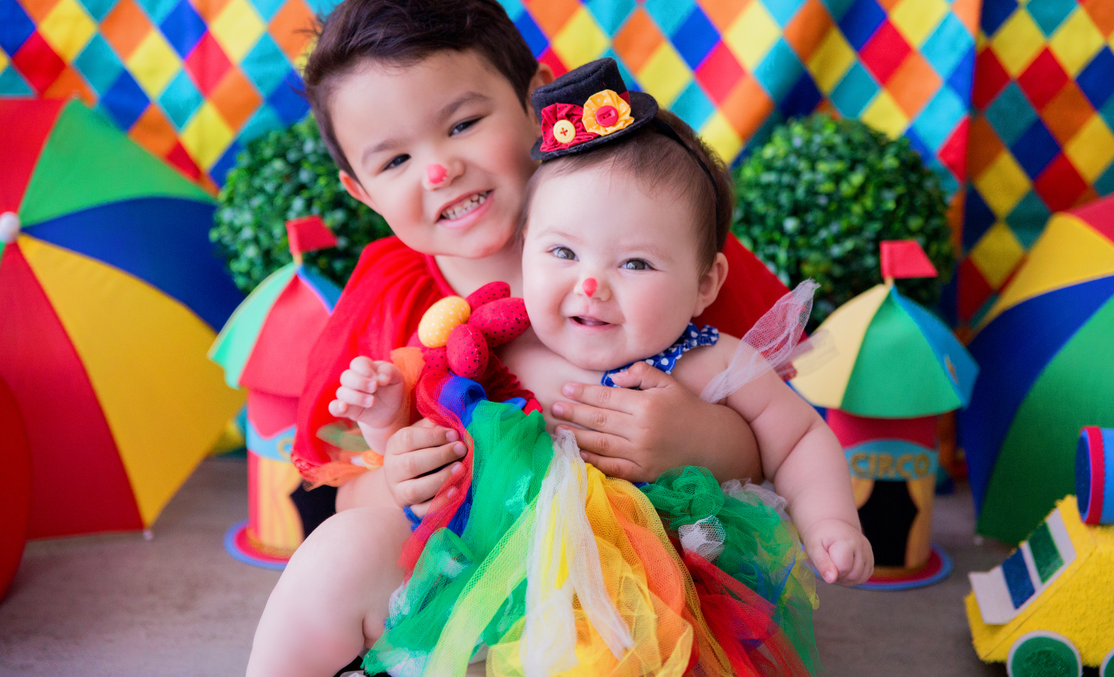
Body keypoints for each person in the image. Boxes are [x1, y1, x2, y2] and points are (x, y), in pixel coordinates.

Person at [249, 0, 792, 676]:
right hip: (465, 556)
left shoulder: (653, 235)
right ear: (360, 189)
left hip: (635, 572)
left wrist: (701, 438)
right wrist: (395, 475)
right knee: (332, 556)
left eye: (463, 123)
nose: (440, 167)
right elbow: (349, 490)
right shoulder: (392, 294)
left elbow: (779, 436)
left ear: (537, 98)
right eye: (395, 160)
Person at [337, 60, 872, 677]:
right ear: (525, 247)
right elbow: (430, 450)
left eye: (636, 264)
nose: (590, 284)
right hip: (503, 584)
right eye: (562, 252)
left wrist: (829, 520)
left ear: (704, 284)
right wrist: (386, 427)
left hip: (659, 602)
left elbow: (800, 436)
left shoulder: (706, 360)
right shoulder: (498, 350)